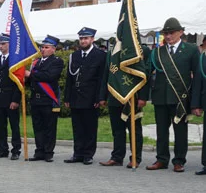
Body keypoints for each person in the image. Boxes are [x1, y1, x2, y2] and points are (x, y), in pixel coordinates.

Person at [146, 17, 198, 172]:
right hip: (160, 97)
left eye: (171, 32)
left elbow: (197, 77)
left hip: (180, 98)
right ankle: (161, 159)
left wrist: (195, 102)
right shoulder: (157, 52)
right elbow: (148, 73)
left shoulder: (191, 49)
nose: (168, 36)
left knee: (180, 132)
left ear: (181, 32)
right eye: (166, 33)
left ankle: (179, 160)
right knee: (161, 131)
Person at [99, 38, 148, 168]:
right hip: (114, 95)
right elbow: (107, 74)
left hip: (132, 96)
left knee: (134, 130)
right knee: (117, 130)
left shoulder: (137, 50)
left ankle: (135, 158)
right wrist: (102, 96)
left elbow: (143, 74)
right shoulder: (112, 52)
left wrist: (143, 97)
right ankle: (117, 157)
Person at [63, 27, 106, 165]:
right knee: (77, 127)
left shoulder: (100, 55)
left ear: (92, 39)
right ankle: (78, 153)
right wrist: (67, 97)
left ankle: (88, 154)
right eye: (81, 38)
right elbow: (69, 78)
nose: (83, 41)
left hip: (90, 98)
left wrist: (99, 98)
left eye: (86, 38)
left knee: (90, 127)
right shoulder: (74, 56)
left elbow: (101, 79)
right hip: (76, 97)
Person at [26, 36, 64, 162]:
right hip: (35, 99)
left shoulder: (57, 61)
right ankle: (39, 151)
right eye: (42, 47)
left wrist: (31, 74)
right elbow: (31, 81)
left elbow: (49, 76)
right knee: (38, 127)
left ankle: (48, 152)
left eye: (46, 47)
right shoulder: (35, 62)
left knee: (49, 128)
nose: (43, 49)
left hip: (48, 99)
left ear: (53, 49)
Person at [0, 34, 22, 160]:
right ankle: (3, 149)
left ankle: (16, 150)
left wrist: (15, 100)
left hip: (10, 97)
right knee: (0, 126)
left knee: (14, 126)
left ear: (9, 44)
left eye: (4, 44)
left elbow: (18, 82)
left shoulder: (15, 60)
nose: (1, 46)